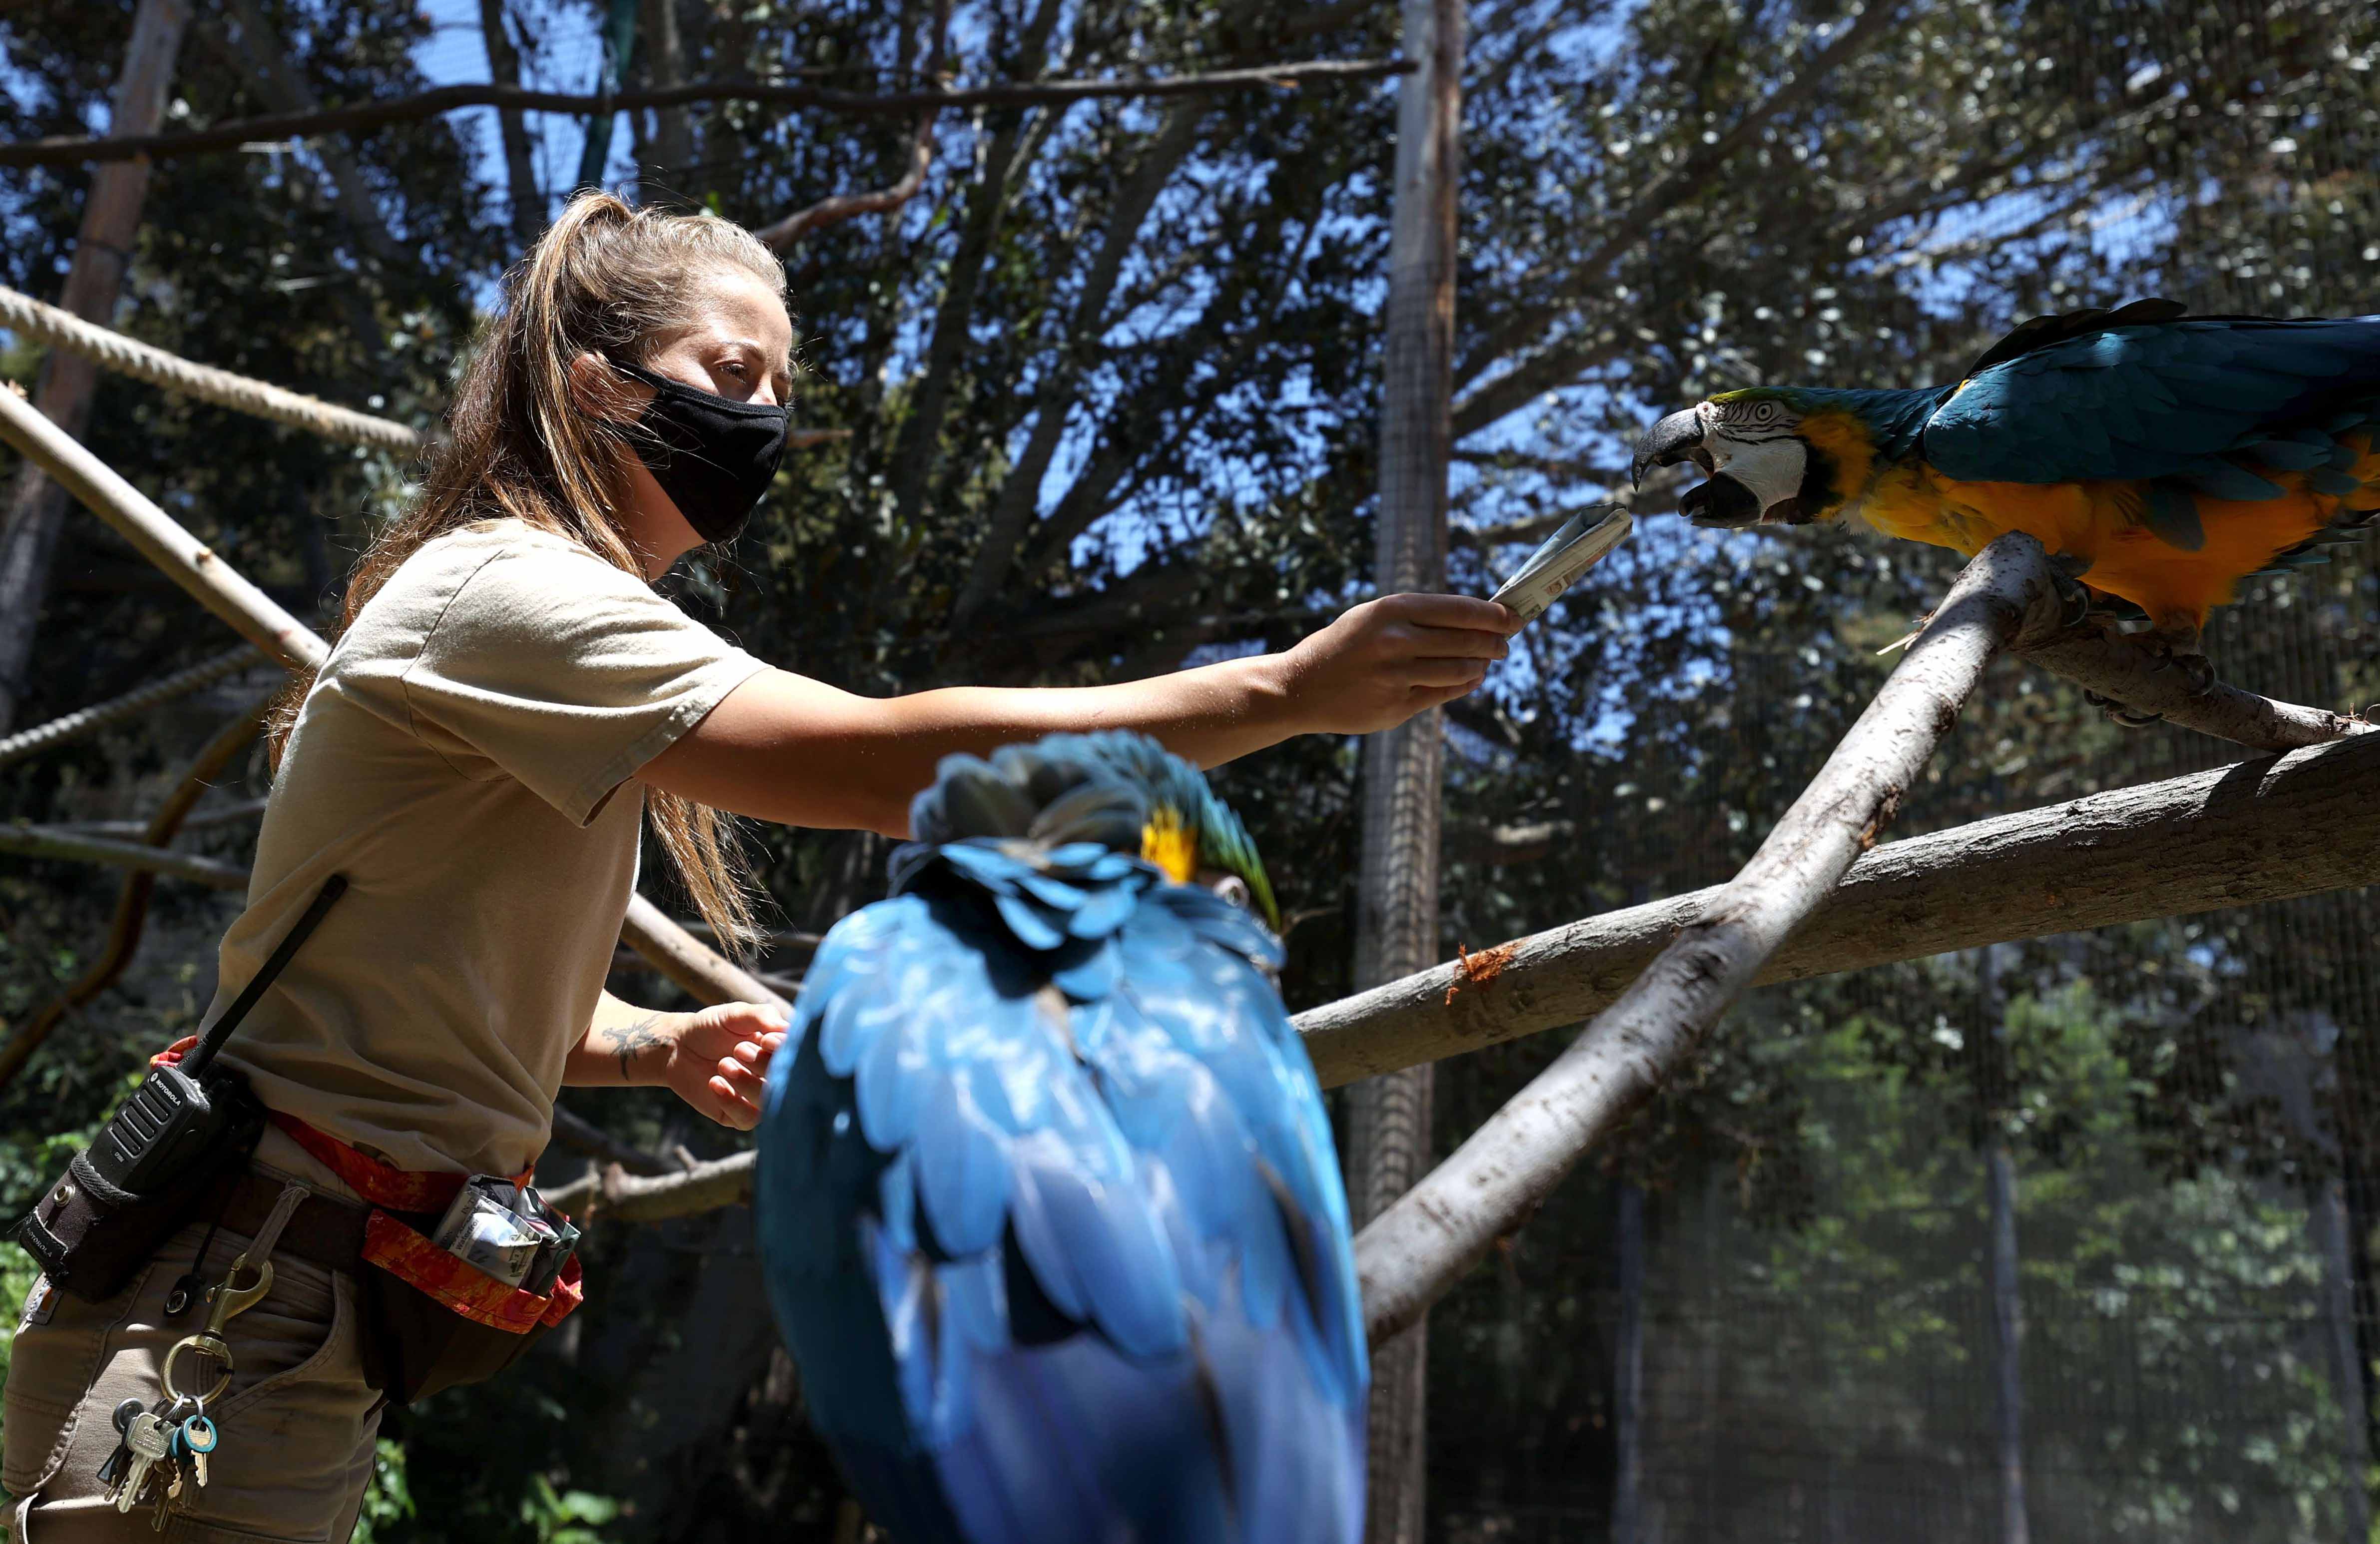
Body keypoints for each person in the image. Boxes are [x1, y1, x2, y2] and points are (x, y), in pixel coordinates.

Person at [1, 191, 1516, 1542]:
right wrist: (1277, 693)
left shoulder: (550, 625)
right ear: (595, 381)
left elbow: (416, 978)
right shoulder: (513, 591)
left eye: (784, 386)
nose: (768, 417)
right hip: (236, 1307)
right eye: (736, 374)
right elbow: (874, 765)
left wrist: (649, 1043)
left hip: (302, 1315)